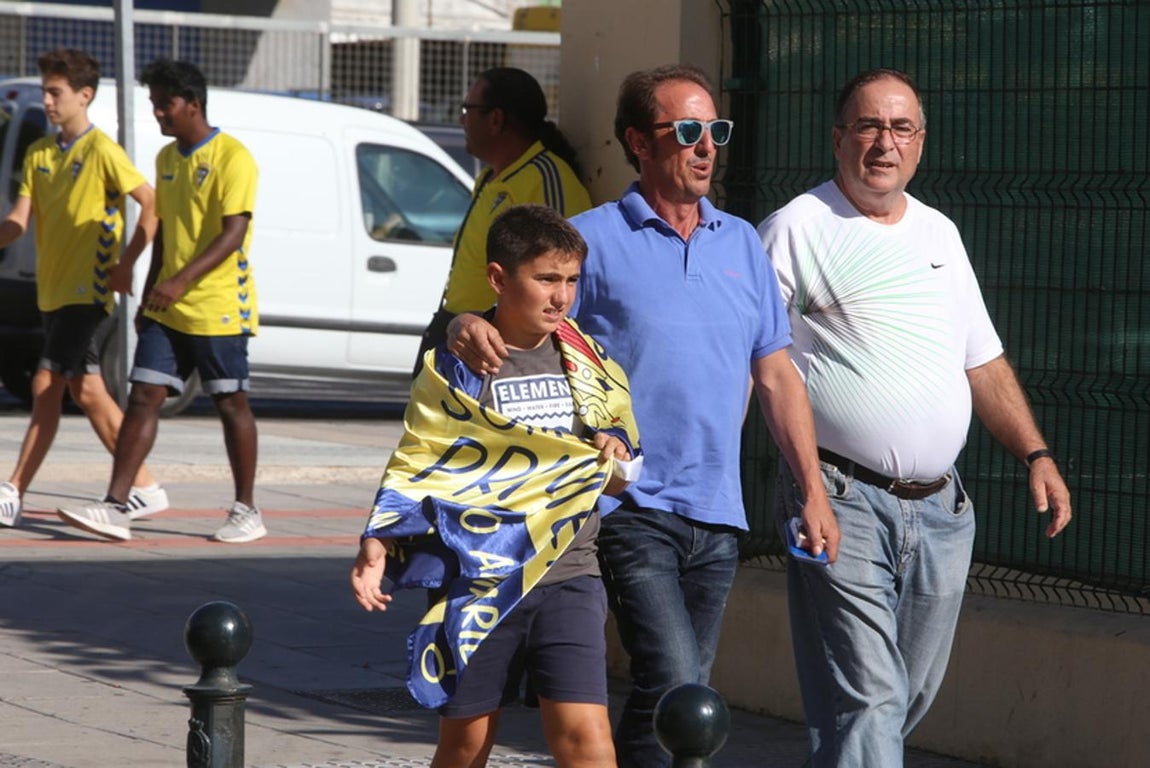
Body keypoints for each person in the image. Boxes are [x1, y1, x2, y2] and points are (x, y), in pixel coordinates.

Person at [449, 64, 839, 768]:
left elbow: (776, 373)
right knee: (677, 681)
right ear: (639, 141)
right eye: (686, 130)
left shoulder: (742, 243)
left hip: (718, 512)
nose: (706, 146)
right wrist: (464, 329)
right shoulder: (591, 240)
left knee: (679, 698)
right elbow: (520, 319)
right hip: (628, 505)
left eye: (715, 131)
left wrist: (811, 490)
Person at [757, 67, 1073, 766]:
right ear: (838, 137)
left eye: (901, 127)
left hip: (940, 514)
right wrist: (805, 486)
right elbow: (758, 364)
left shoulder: (940, 234)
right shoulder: (795, 229)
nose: (884, 142)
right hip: (839, 497)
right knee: (871, 697)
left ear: (921, 143)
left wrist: (1037, 455)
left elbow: (983, 362)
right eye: (868, 125)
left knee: (900, 698)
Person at [352, 204, 641, 768]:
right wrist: (377, 544)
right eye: (546, 279)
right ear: (498, 279)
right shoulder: (458, 365)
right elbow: (420, 455)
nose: (561, 297)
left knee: (587, 741)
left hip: (570, 574)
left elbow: (620, 456)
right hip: (480, 581)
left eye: (572, 281)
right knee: (466, 745)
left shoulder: (589, 360)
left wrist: (615, 454)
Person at [57, 59, 264, 544]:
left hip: (219, 307)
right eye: (153, 104)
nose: (158, 113)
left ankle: (247, 510)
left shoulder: (234, 157)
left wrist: (180, 282)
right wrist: (153, 293)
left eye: (165, 104)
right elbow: (169, 232)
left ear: (193, 104)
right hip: (169, 309)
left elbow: (233, 234)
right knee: (143, 396)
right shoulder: (168, 160)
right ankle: (115, 506)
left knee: (230, 402)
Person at [0, 48, 167, 529]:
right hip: (52, 293)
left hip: (88, 293)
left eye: (56, 92)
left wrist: (127, 264)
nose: (48, 101)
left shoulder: (103, 151)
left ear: (84, 96)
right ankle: (146, 487)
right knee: (88, 391)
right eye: (46, 91)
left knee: (45, 384)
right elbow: (18, 219)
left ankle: (12, 490)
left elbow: (150, 203)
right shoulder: (39, 153)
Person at [414, 67, 592, 370]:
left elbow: (568, 269)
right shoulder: (488, 177)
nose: (462, 120)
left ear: (495, 119)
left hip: (496, 349)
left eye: (467, 110)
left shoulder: (547, 178)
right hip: (456, 330)